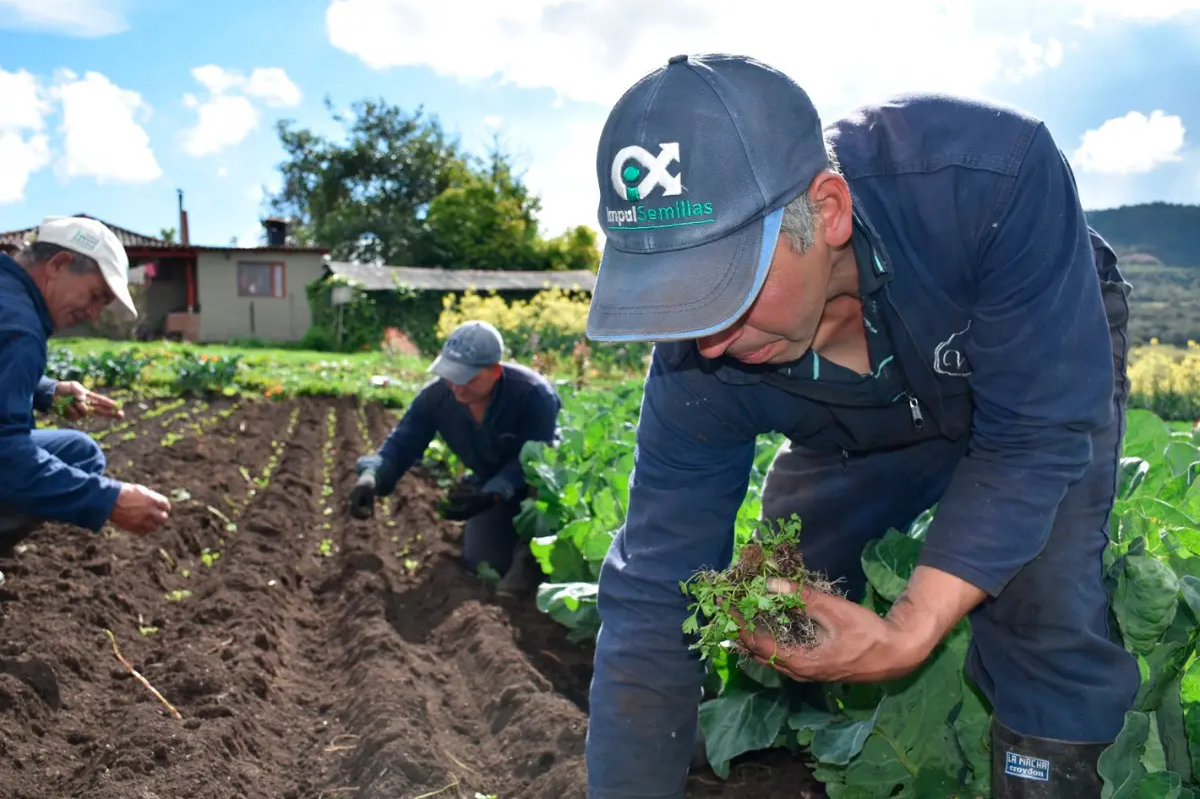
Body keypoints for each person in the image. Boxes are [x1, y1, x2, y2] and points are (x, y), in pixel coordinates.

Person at [580, 54, 1137, 799]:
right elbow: (652, 589)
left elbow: (1033, 439)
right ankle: (780, 755)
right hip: (867, 417)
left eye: (722, 288)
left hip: (1030, 355)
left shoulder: (986, 179)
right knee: (788, 580)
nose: (705, 341)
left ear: (829, 210)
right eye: (674, 301)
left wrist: (909, 631)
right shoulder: (698, 368)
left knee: (1043, 593)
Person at [0, 217, 173, 578]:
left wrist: (47, 390)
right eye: (96, 295)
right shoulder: (18, 326)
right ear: (59, 265)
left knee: (79, 451)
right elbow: (6, 458)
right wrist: (107, 499)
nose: (94, 314)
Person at [348, 320, 562, 594]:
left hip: (535, 485)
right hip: (488, 482)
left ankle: (528, 560)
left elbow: (534, 458)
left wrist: (493, 493)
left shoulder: (533, 394)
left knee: (540, 482)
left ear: (495, 371)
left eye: (468, 379)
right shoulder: (436, 397)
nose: (457, 387)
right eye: (451, 376)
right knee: (485, 563)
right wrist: (371, 478)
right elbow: (401, 444)